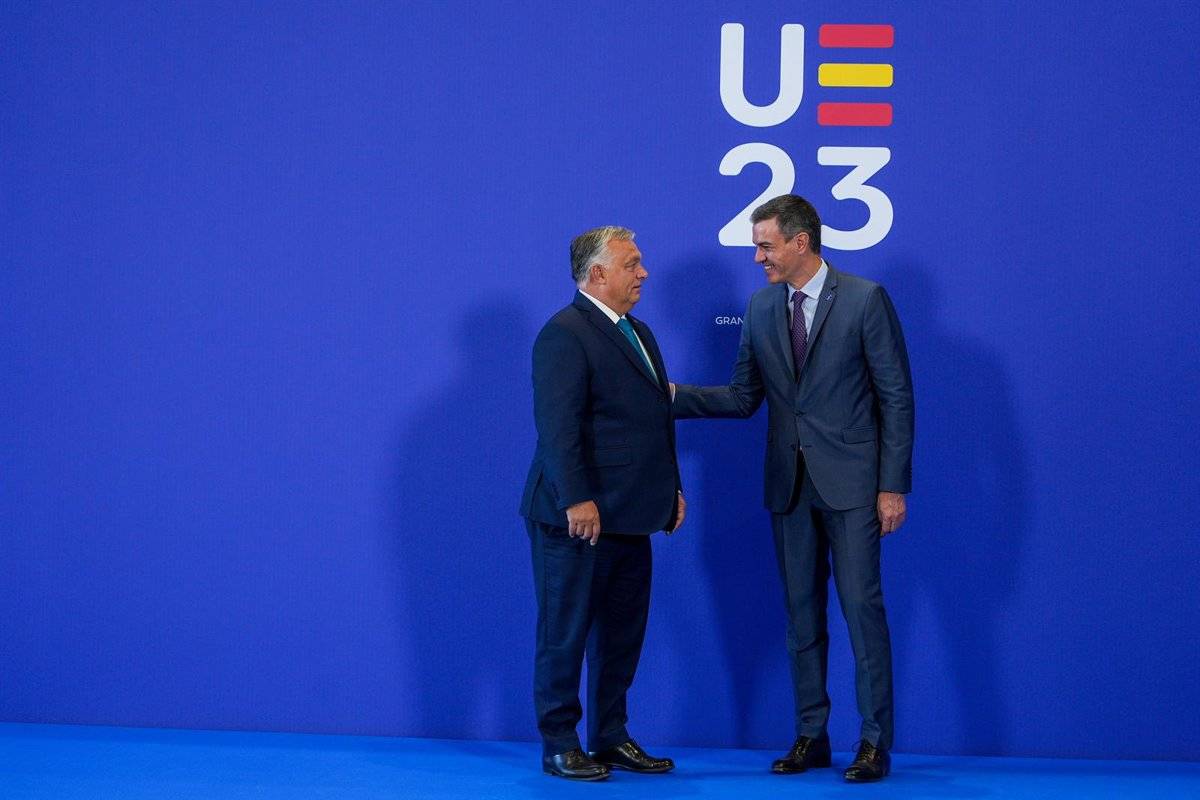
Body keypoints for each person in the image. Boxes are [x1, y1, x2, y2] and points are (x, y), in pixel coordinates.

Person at [672, 195, 913, 782]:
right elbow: (743, 398)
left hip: (854, 487)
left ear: (800, 242)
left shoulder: (865, 299)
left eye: (766, 246)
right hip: (789, 487)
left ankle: (874, 743)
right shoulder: (760, 308)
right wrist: (669, 397)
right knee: (801, 618)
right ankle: (811, 735)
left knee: (862, 613)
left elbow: (896, 398)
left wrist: (892, 486)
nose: (758, 258)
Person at [520, 226, 686, 781]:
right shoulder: (564, 333)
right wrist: (577, 499)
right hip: (575, 518)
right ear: (597, 274)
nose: (644, 273)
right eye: (632, 264)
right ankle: (560, 743)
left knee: (621, 636)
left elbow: (654, 420)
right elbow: (558, 428)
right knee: (565, 633)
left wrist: (671, 490)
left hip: (631, 515)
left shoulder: (638, 331)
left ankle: (611, 736)